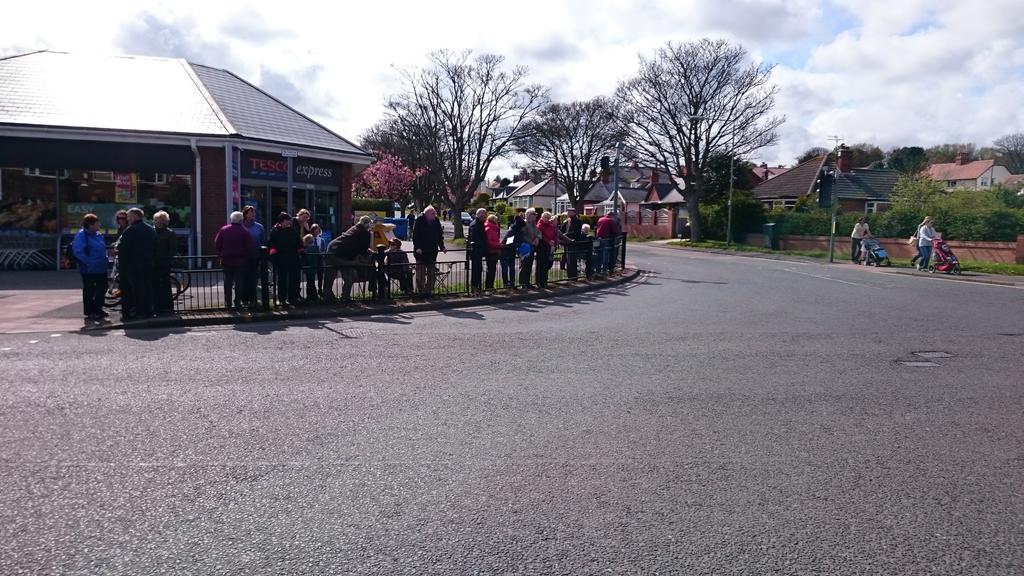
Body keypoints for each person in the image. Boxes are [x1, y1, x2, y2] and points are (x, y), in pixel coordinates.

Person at [117, 207, 156, 320]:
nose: (127, 219)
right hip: (148, 263)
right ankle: (148, 311)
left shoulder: (130, 230)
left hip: (133, 265)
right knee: (147, 288)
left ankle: (138, 312)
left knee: (134, 290)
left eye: (128, 217)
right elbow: (155, 246)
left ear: (134, 216)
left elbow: (123, 248)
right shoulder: (150, 229)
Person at [324, 216, 373, 302]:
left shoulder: (354, 228)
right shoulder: (365, 233)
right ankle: (345, 297)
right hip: (342, 254)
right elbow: (363, 250)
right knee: (348, 277)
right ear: (367, 224)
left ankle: (328, 297)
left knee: (330, 276)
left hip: (334, 249)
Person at [72, 213, 110, 321]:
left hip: (100, 267)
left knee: (102, 288)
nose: (99, 225)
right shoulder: (81, 235)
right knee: (89, 290)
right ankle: (90, 311)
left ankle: (98, 309)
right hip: (88, 269)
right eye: (97, 223)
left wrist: (105, 258)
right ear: (90, 224)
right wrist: (88, 262)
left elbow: (101, 249)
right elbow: (78, 251)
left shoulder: (98, 234)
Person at [215, 211, 255, 309]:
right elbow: (249, 247)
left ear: (231, 219)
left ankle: (227, 303)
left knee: (227, 282)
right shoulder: (245, 232)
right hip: (240, 261)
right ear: (241, 220)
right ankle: (237, 302)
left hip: (226, 260)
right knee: (239, 283)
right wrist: (246, 256)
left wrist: (221, 253)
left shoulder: (224, 230)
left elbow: (217, 243)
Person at [268, 212, 301, 306]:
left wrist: (300, 249)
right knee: (282, 279)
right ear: (282, 222)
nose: (289, 223)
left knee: (293, 279)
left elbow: (298, 241)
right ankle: (282, 298)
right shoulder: (275, 231)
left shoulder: (292, 231)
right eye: (287, 221)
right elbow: (272, 243)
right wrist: (273, 252)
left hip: (292, 258)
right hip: (281, 259)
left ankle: (292, 298)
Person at [412, 206, 446, 297]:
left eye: (435, 213)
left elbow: (439, 235)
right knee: (421, 274)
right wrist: (418, 247)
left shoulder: (436, 221)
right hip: (421, 252)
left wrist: (442, 247)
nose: (434, 215)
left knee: (432, 275)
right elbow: (415, 235)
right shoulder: (419, 220)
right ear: (426, 213)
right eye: (432, 214)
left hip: (432, 252)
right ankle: (420, 292)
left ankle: (428, 291)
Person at [152, 210, 177, 314]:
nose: (157, 222)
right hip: (153, 263)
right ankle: (156, 307)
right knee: (154, 285)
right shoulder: (151, 231)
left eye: (160, 220)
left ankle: (167, 307)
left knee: (165, 285)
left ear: (165, 221)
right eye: (156, 220)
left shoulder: (170, 233)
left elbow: (173, 249)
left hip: (164, 263)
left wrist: (166, 259)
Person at [241, 205, 265, 308]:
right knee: (243, 279)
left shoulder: (259, 227)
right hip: (243, 257)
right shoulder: (241, 226)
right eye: (250, 212)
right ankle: (244, 299)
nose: (252, 214)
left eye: (253, 212)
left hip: (255, 256)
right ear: (245, 214)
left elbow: (262, 241)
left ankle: (253, 299)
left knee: (253, 279)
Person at [518, 208, 541, 288]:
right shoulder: (524, 223)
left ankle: (527, 282)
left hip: (531, 247)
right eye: (533, 214)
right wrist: (532, 242)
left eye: (535, 214)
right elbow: (523, 235)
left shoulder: (533, 224)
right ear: (528, 215)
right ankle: (522, 283)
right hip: (525, 247)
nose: (535, 216)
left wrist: (538, 238)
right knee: (524, 265)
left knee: (529, 265)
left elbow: (539, 232)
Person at [559, 207, 584, 279]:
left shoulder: (577, 221)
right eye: (567, 211)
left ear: (574, 212)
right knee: (568, 260)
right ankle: (569, 275)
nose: (568, 213)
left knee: (572, 260)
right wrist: (562, 236)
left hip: (573, 242)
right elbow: (561, 230)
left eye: (570, 212)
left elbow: (575, 233)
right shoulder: (567, 221)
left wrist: (565, 235)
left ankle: (573, 276)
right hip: (567, 242)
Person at [500, 214, 525, 288]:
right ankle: (506, 284)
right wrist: (518, 245)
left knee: (512, 269)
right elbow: (508, 243)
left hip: (511, 252)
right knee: (505, 269)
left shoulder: (519, 232)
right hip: (505, 252)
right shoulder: (511, 232)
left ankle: (512, 283)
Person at [536, 211, 558, 288]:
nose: (547, 219)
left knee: (547, 264)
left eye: (548, 218)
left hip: (549, 248)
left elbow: (554, 235)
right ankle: (539, 282)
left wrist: (553, 241)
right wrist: (548, 241)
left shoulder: (550, 226)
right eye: (545, 217)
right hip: (542, 247)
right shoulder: (539, 225)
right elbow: (541, 236)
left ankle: (544, 281)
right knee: (541, 265)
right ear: (542, 217)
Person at [467, 208, 488, 293]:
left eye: (485, 215)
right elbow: (475, 239)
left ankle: (478, 287)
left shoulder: (480, 224)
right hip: (476, 251)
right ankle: (475, 287)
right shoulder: (475, 225)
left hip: (478, 251)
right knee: (476, 270)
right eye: (483, 215)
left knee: (479, 270)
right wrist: (481, 248)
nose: (484, 217)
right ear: (478, 215)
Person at [484, 214, 501, 290]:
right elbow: (489, 242)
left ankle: (490, 285)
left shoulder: (493, 229)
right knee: (491, 270)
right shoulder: (489, 229)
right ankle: (488, 286)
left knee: (492, 270)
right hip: (491, 252)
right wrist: (499, 245)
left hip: (494, 251)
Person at [302, 234, 320, 301]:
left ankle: (310, 296)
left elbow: (305, 259)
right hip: (314, 267)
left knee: (309, 283)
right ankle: (314, 296)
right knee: (311, 282)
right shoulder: (316, 248)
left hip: (308, 268)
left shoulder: (306, 251)